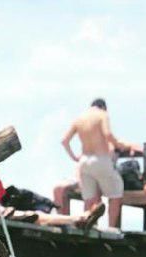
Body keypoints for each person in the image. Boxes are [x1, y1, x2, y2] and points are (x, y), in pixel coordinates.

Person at [60, 98, 139, 230]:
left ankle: (88, 228)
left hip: (84, 161)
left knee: (89, 199)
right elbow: (108, 134)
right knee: (116, 193)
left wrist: (74, 157)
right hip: (100, 159)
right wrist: (118, 145)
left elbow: (64, 141)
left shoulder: (80, 118)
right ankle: (112, 228)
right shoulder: (102, 115)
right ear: (103, 107)